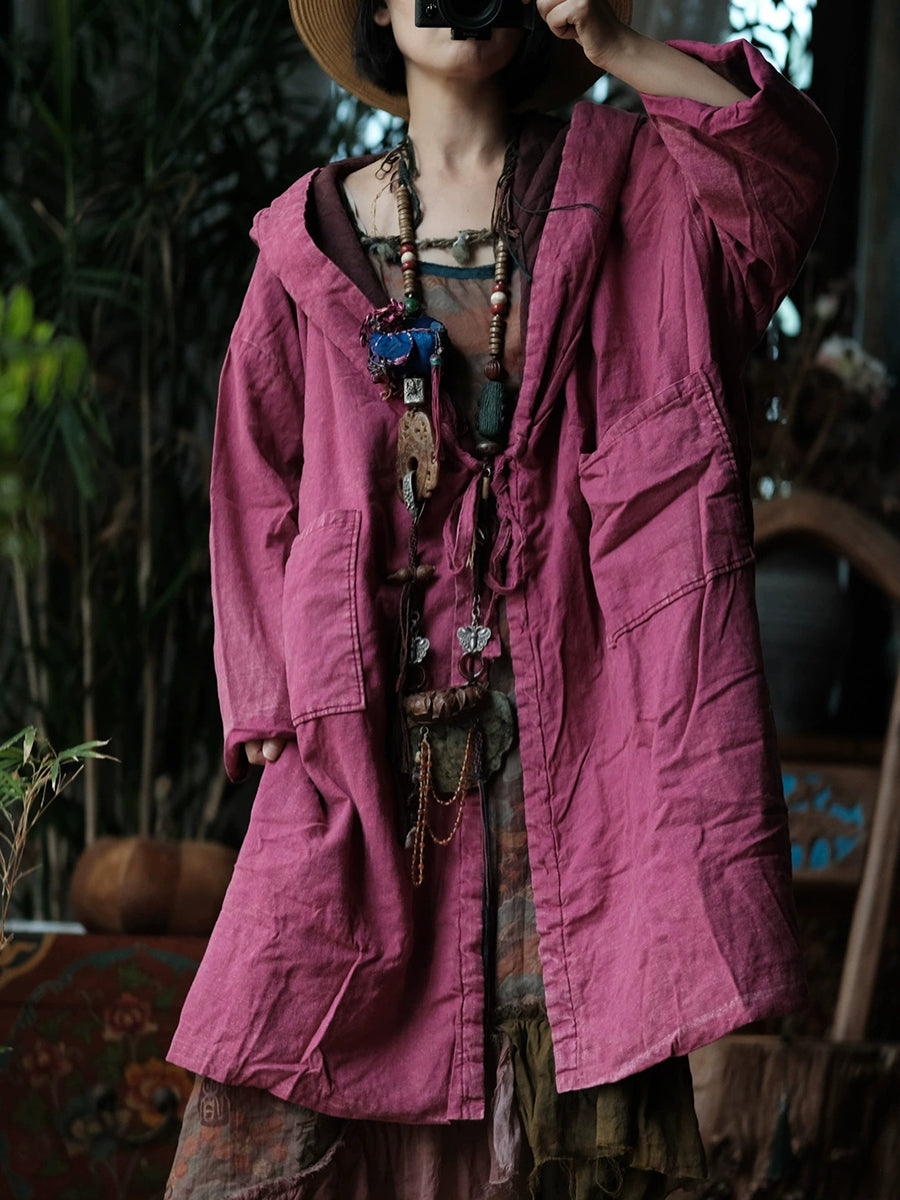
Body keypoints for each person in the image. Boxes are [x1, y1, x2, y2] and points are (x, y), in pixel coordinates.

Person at [165, 0, 836, 1196]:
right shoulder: (309, 241)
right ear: (376, 8)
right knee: (291, 1028)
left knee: (583, 1055)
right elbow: (251, 473)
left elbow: (780, 185)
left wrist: (620, 48)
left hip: (592, 725)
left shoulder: (638, 187)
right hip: (365, 741)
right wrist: (265, 701)